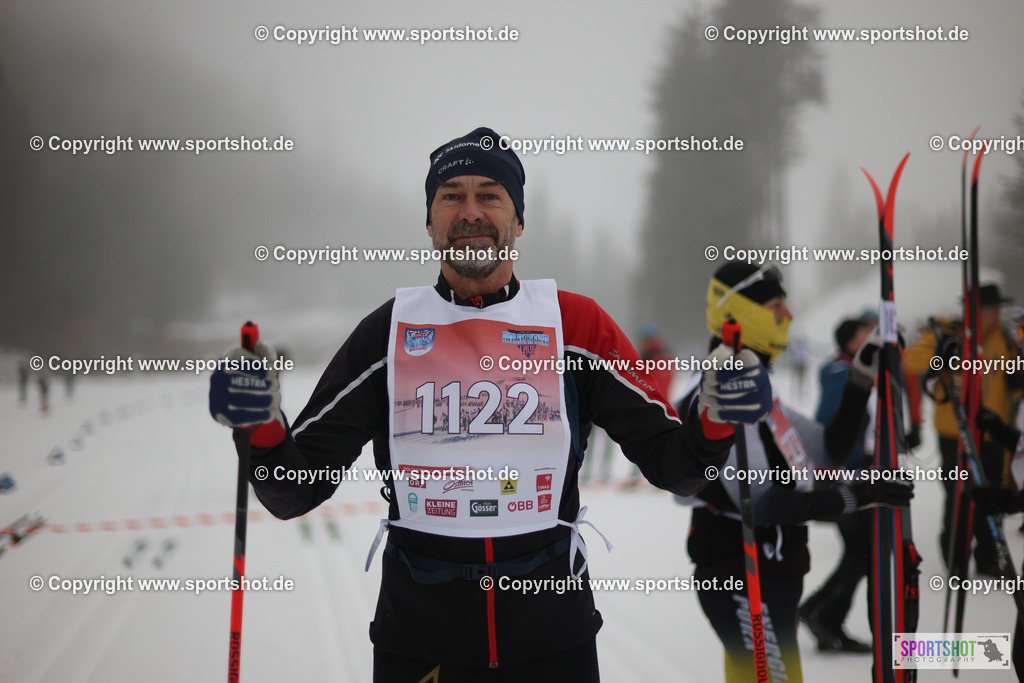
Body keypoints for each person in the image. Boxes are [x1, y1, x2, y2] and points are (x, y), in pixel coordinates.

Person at [208, 127, 773, 682]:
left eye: (490, 195)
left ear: (518, 220)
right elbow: (292, 488)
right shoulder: (389, 333)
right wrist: (259, 425)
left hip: (554, 642)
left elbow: (678, 468)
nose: (471, 210)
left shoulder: (574, 326)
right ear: (430, 222)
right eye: (451, 195)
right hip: (420, 643)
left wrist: (715, 417)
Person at [678, 261, 914, 682]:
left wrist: (861, 376)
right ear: (744, 314)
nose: (787, 315)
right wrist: (854, 498)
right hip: (738, 572)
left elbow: (828, 451)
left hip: (778, 571)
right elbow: (761, 502)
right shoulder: (719, 393)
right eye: (775, 305)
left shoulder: (759, 389)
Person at [905, 283, 1024, 576]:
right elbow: (912, 360)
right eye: (991, 308)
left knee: (990, 497)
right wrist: (941, 356)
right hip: (954, 434)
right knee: (958, 497)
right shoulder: (950, 333)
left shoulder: (1004, 339)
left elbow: (1014, 380)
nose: (996, 313)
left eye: (997, 307)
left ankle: (988, 558)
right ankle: (956, 556)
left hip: (992, 433)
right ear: (975, 310)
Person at [798, 318, 874, 654]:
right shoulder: (841, 374)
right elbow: (829, 429)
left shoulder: (853, 371)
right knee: (863, 552)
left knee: (862, 553)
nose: (870, 342)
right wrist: (859, 459)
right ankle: (820, 612)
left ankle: (824, 615)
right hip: (845, 478)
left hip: (858, 475)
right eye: (864, 337)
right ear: (849, 342)